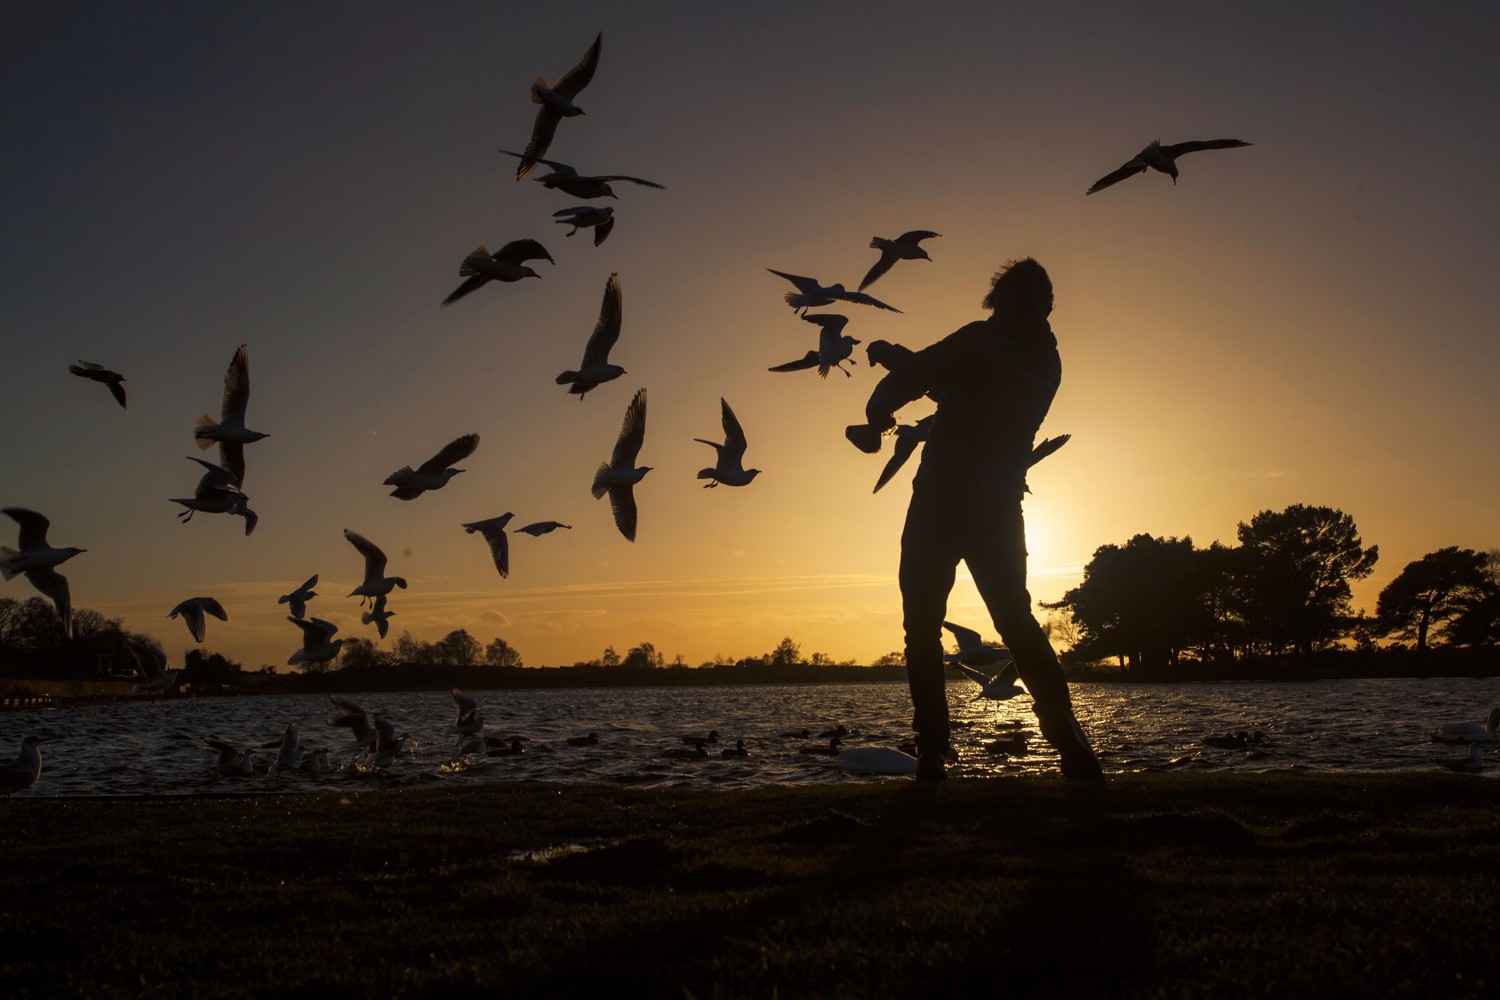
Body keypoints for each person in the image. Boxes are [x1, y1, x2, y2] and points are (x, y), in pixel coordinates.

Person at [846, 257, 1103, 780]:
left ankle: (932, 750)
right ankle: (1067, 737)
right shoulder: (1046, 363)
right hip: (1000, 506)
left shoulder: (982, 338)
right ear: (1046, 306)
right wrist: (903, 361)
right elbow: (964, 389)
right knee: (1016, 622)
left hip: (941, 499)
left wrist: (877, 412)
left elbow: (922, 376)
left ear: (999, 300)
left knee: (921, 628)